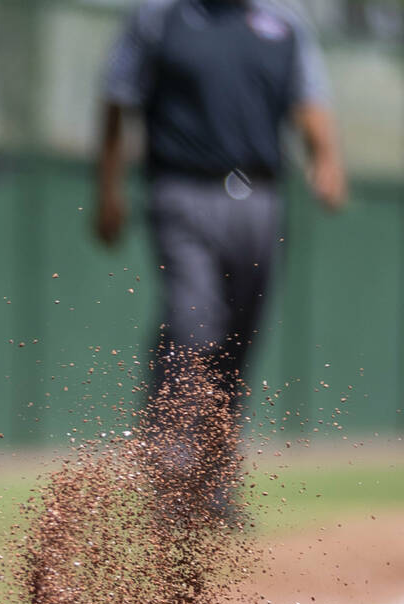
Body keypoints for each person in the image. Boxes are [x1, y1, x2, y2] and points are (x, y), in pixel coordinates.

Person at [93, 0, 346, 516]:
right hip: (182, 191)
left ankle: (214, 484)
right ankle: (168, 467)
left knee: (238, 342)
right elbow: (118, 98)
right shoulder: (161, 18)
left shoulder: (285, 23)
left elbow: (309, 99)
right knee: (194, 324)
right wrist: (108, 188)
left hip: (261, 198)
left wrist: (326, 159)